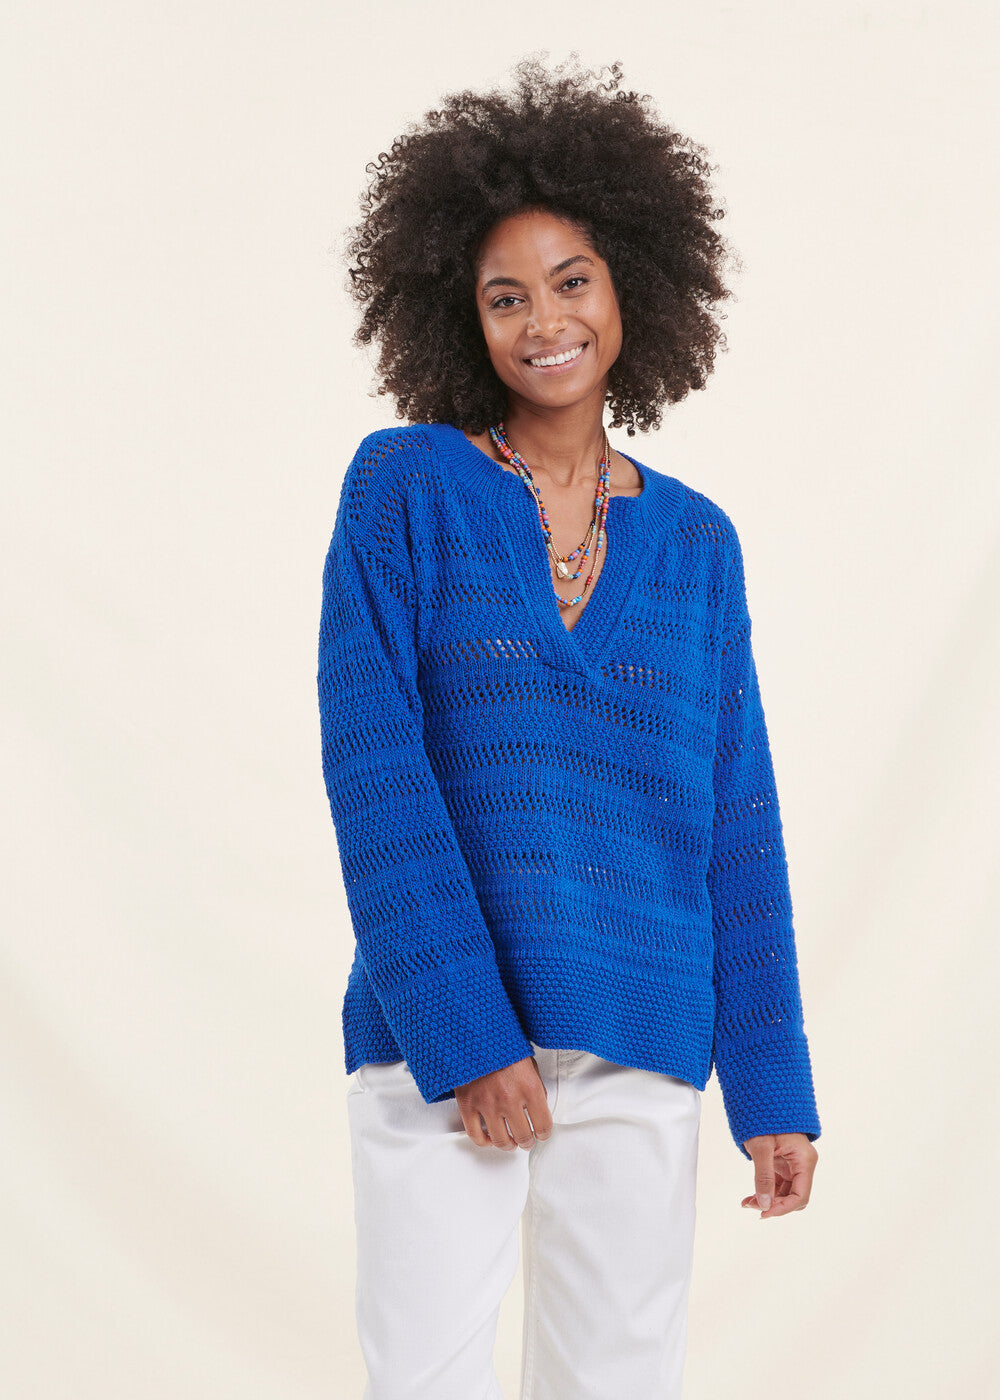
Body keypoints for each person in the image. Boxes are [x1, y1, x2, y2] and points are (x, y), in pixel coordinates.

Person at [317, 53, 821, 1400]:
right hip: (440, 1041)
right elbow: (377, 774)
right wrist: (467, 1034)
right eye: (505, 295)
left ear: (633, 289)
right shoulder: (404, 490)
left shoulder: (699, 546)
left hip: (642, 1033)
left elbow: (735, 823)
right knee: (424, 1381)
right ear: (458, 314)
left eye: (573, 280)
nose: (544, 320)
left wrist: (769, 1083)